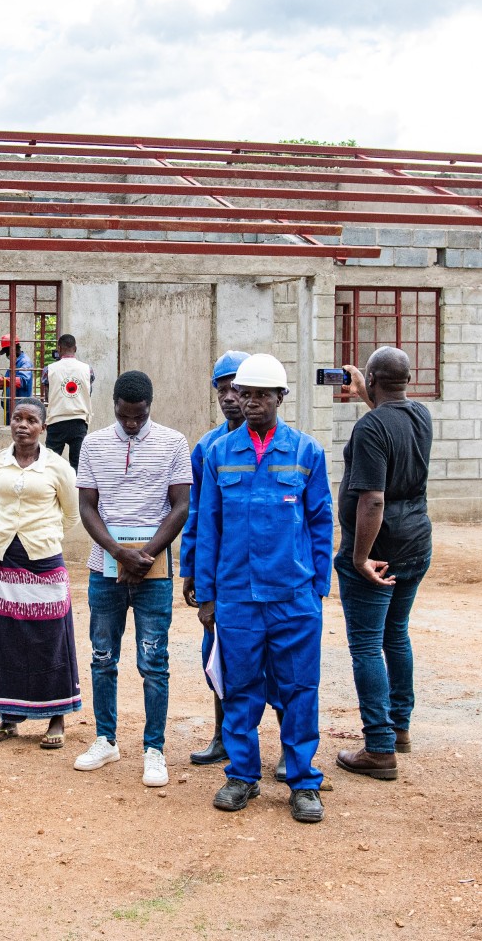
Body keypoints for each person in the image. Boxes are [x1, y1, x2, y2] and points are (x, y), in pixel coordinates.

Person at [194, 353, 333, 824]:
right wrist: (207, 593)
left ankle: (303, 782)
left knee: (299, 688)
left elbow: (320, 522)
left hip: (293, 597)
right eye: (244, 394)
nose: (250, 403)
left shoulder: (305, 452)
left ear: (280, 398)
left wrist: (317, 588)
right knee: (240, 688)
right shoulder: (219, 454)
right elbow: (207, 524)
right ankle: (241, 776)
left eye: (261, 395)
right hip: (236, 597)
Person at [73, 371, 191, 788]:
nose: (132, 424)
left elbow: (180, 506)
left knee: (153, 661)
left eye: (139, 417)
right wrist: (118, 552)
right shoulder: (93, 444)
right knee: (103, 656)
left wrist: (146, 554)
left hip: (154, 571)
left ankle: (153, 749)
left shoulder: (174, 442)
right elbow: (87, 506)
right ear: (114, 406)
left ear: (149, 407)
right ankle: (106, 739)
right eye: (125, 416)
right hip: (105, 567)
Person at [334, 347, 433, 782]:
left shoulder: (371, 426)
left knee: (366, 645)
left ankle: (378, 747)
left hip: (378, 549)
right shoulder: (420, 415)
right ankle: (399, 727)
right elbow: (388, 416)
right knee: (396, 634)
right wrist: (365, 392)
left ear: (373, 378)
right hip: (416, 541)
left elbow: (372, 497)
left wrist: (359, 557)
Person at [0, 397, 81, 748]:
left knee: (51, 638)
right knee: (3, 638)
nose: (22, 425)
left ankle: (56, 719)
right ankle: (8, 719)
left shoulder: (58, 468)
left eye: (31, 420)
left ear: (43, 428)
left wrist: (44, 538)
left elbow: (71, 514)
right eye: (17, 419)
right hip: (1, 560)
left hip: (44, 562)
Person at [182, 351, 250, 768]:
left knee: (274, 662)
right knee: (217, 654)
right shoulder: (208, 447)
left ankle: (277, 749)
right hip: (220, 572)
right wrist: (191, 570)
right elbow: (196, 514)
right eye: (222, 389)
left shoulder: (284, 446)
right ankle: (222, 737)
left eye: (237, 389)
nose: (229, 397)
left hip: (263, 574)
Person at [43, 334, 93, 469]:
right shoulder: (88, 370)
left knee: (50, 465)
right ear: (75, 348)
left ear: (59, 348)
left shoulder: (49, 370)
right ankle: (75, 491)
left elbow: (48, 396)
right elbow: (88, 393)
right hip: (79, 421)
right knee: (77, 465)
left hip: (56, 421)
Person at [0, 335, 34, 425]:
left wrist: (5, 380)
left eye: (7, 352)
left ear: (13, 348)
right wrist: (0, 383)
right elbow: (10, 382)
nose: (7, 355)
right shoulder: (15, 363)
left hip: (20, 405)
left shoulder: (24, 362)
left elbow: (23, 380)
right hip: (12, 405)